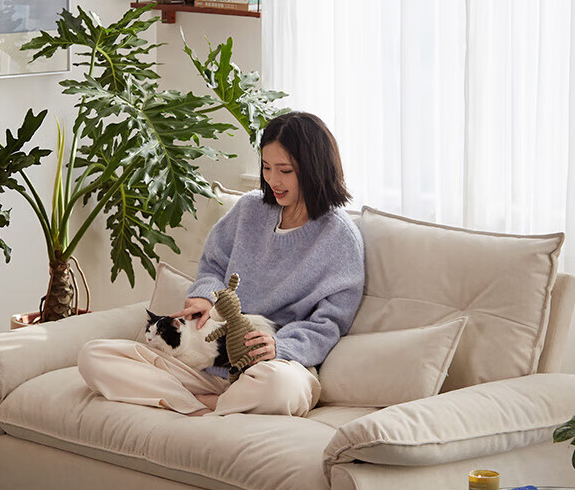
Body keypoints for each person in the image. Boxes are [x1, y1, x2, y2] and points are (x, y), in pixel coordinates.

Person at [78, 111, 365, 417]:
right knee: (94, 356)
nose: (273, 180)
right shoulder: (250, 209)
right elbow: (213, 265)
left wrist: (280, 346)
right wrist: (204, 296)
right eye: (266, 167)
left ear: (314, 168)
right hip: (205, 362)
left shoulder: (339, 237)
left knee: (281, 389)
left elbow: (330, 323)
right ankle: (214, 403)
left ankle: (200, 403)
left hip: (274, 366)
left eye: (285, 170)